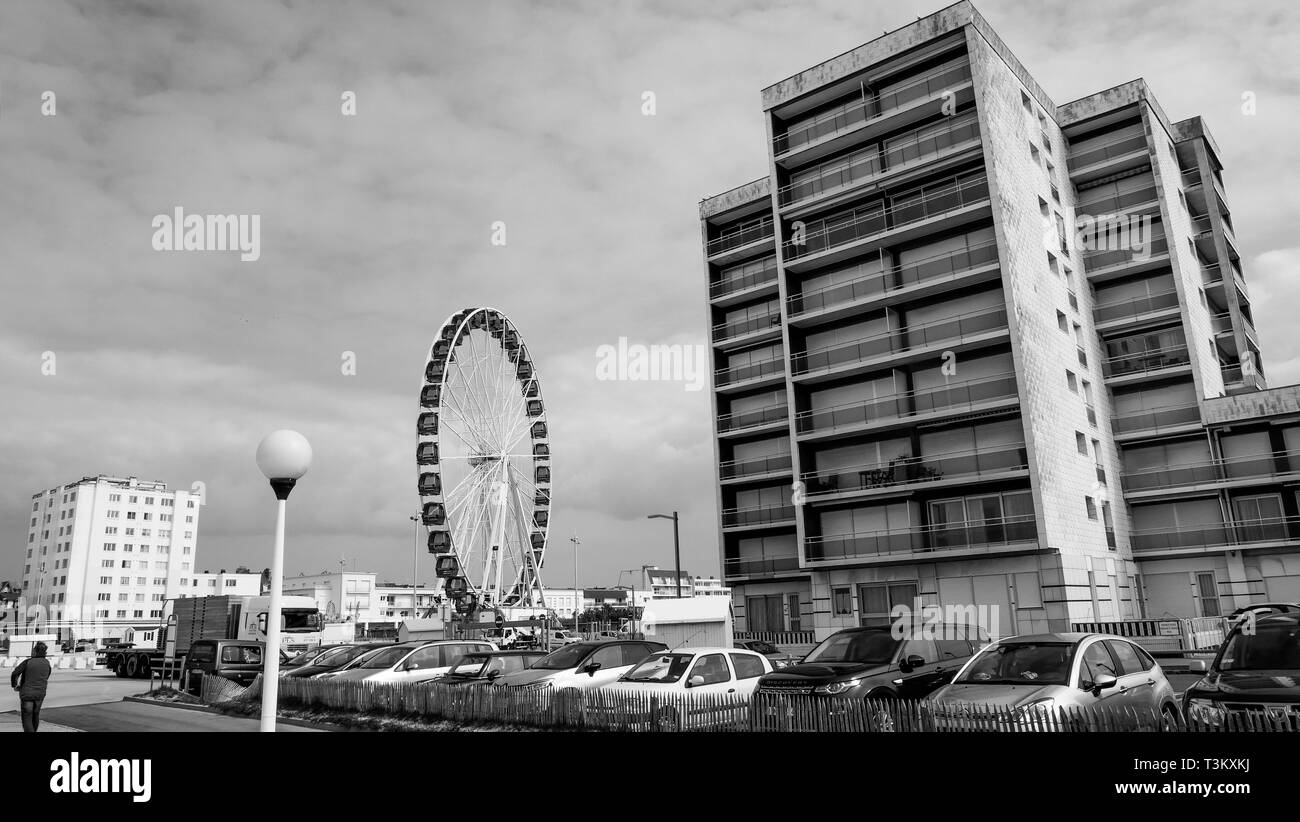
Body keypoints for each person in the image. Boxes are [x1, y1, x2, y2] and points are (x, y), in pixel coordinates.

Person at [10, 641, 53, 733]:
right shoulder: (47, 663)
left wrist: (15, 685)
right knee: (35, 714)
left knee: (27, 716)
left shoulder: (28, 662)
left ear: (35, 652)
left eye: (33, 650)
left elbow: (15, 673)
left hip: (27, 693)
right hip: (40, 694)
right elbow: (47, 676)